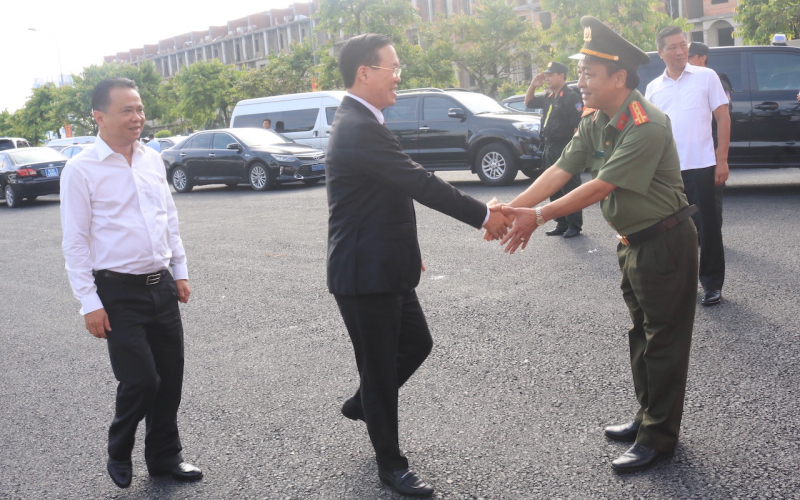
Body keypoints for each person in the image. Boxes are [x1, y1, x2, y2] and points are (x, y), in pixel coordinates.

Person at [494, 17, 698, 473]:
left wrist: (539, 215)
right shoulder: (599, 120)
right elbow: (560, 170)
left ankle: (659, 437)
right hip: (634, 244)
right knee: (642, 336)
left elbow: (601, 186)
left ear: (618, 78)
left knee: (663, 341)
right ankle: (648, 416)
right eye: (580, 71)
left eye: (589, 73)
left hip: (665, 243)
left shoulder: (645, 124)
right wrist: (512, 208)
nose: (580, 81)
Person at [326, 33, 511, 497]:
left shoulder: (363, 121)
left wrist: (407, 248)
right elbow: (417, 182)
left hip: (383, 265)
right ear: (364, 73)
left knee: (416, 345)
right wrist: (485, 216)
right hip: (363, 274)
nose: (399, 76)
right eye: (393, 67)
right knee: (381, 368)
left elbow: (383, 195)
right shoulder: (357, 126)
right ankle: (391, 465)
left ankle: (365, 401)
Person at [60, 77, 202, 489]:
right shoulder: (81, 169)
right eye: (127, 110)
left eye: (139, 109)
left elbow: (168, 220)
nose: (137, 117)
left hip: (160, 287)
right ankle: (119, 448)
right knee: (141, 378)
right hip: (117, 292)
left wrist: (180, 272)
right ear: (99, 116)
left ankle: (164, 458)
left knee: (170, 377)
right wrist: (89, 302)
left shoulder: (151, 159)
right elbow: (75, 242)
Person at [645, 27, 730, 307]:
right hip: (668, 174)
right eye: (672, 47)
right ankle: (679, 285)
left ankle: (712, 284)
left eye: (683, 45)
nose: (680, 51)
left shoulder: (707, 77)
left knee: (708, 228)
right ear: (660, 53)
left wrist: (722, 160)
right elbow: (651, 133)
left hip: (704, 166)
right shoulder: (653, 88)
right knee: (672, 232)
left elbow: (723, 118)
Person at [524, 61, 584, 238]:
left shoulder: (571, 97)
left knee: (570, 187)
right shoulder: (550, 97)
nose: (547, 78)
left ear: (561, 76)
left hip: (565, 147)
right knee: (553, 187)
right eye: (546, 75)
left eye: (551, 74)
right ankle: (561, 223)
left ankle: (574, 224)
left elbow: (577, 126)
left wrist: (574, 151)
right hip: (549, 147)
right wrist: (532, 86)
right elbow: (529, 102)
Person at [688, 41, 731, 228]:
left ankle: (712, 241)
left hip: (711, 148)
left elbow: (724, 115)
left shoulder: (714, 80)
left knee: (711, 200)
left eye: (689, 56)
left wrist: (721, 157)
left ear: (702, 57)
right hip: (691, 152)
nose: (684, 59)